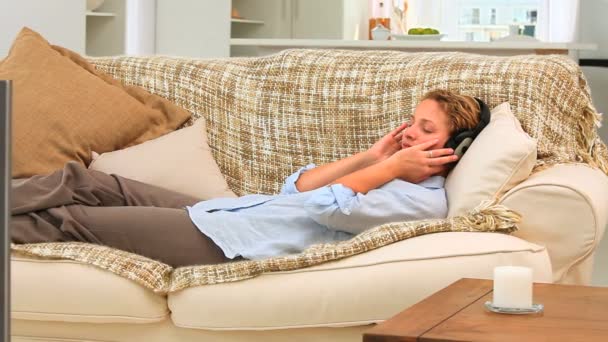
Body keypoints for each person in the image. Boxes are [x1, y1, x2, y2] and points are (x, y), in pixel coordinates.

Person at [11, 89, 485, 268]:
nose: (408, 135)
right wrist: (371, 155)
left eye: (426, 130)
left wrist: (388, 169)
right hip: (227, 214)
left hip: (227, 243)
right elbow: (295, 189)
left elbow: (326, 209)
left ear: (454, 148)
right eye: (411, 122)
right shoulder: (387, 166)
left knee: (68, 218)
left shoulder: (420, 202)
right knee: (92, 182)